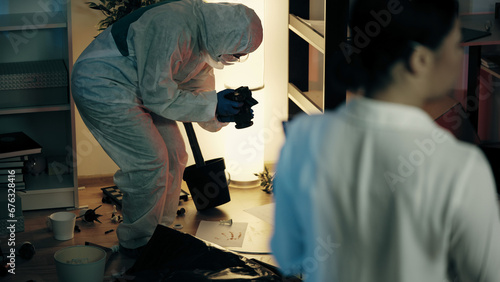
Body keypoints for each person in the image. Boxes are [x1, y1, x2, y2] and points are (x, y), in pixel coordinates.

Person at [271, 0, 500, 281]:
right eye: (454, 44)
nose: (458, 55)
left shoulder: (301, 141)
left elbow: (288, 254)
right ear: (420, 60)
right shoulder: (460, 167)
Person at [71, 0, 263, 256]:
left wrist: (224, 110)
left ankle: (161, 235)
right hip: (102, 83)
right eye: (239, 52)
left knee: (175, 155)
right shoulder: (173, 23)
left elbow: (197, 98)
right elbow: (160, 97)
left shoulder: (208, 43)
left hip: (139, 88)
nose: (238, 58)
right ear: (225, 35)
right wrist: (214, 103)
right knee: (149, 162)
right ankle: (137, 246)